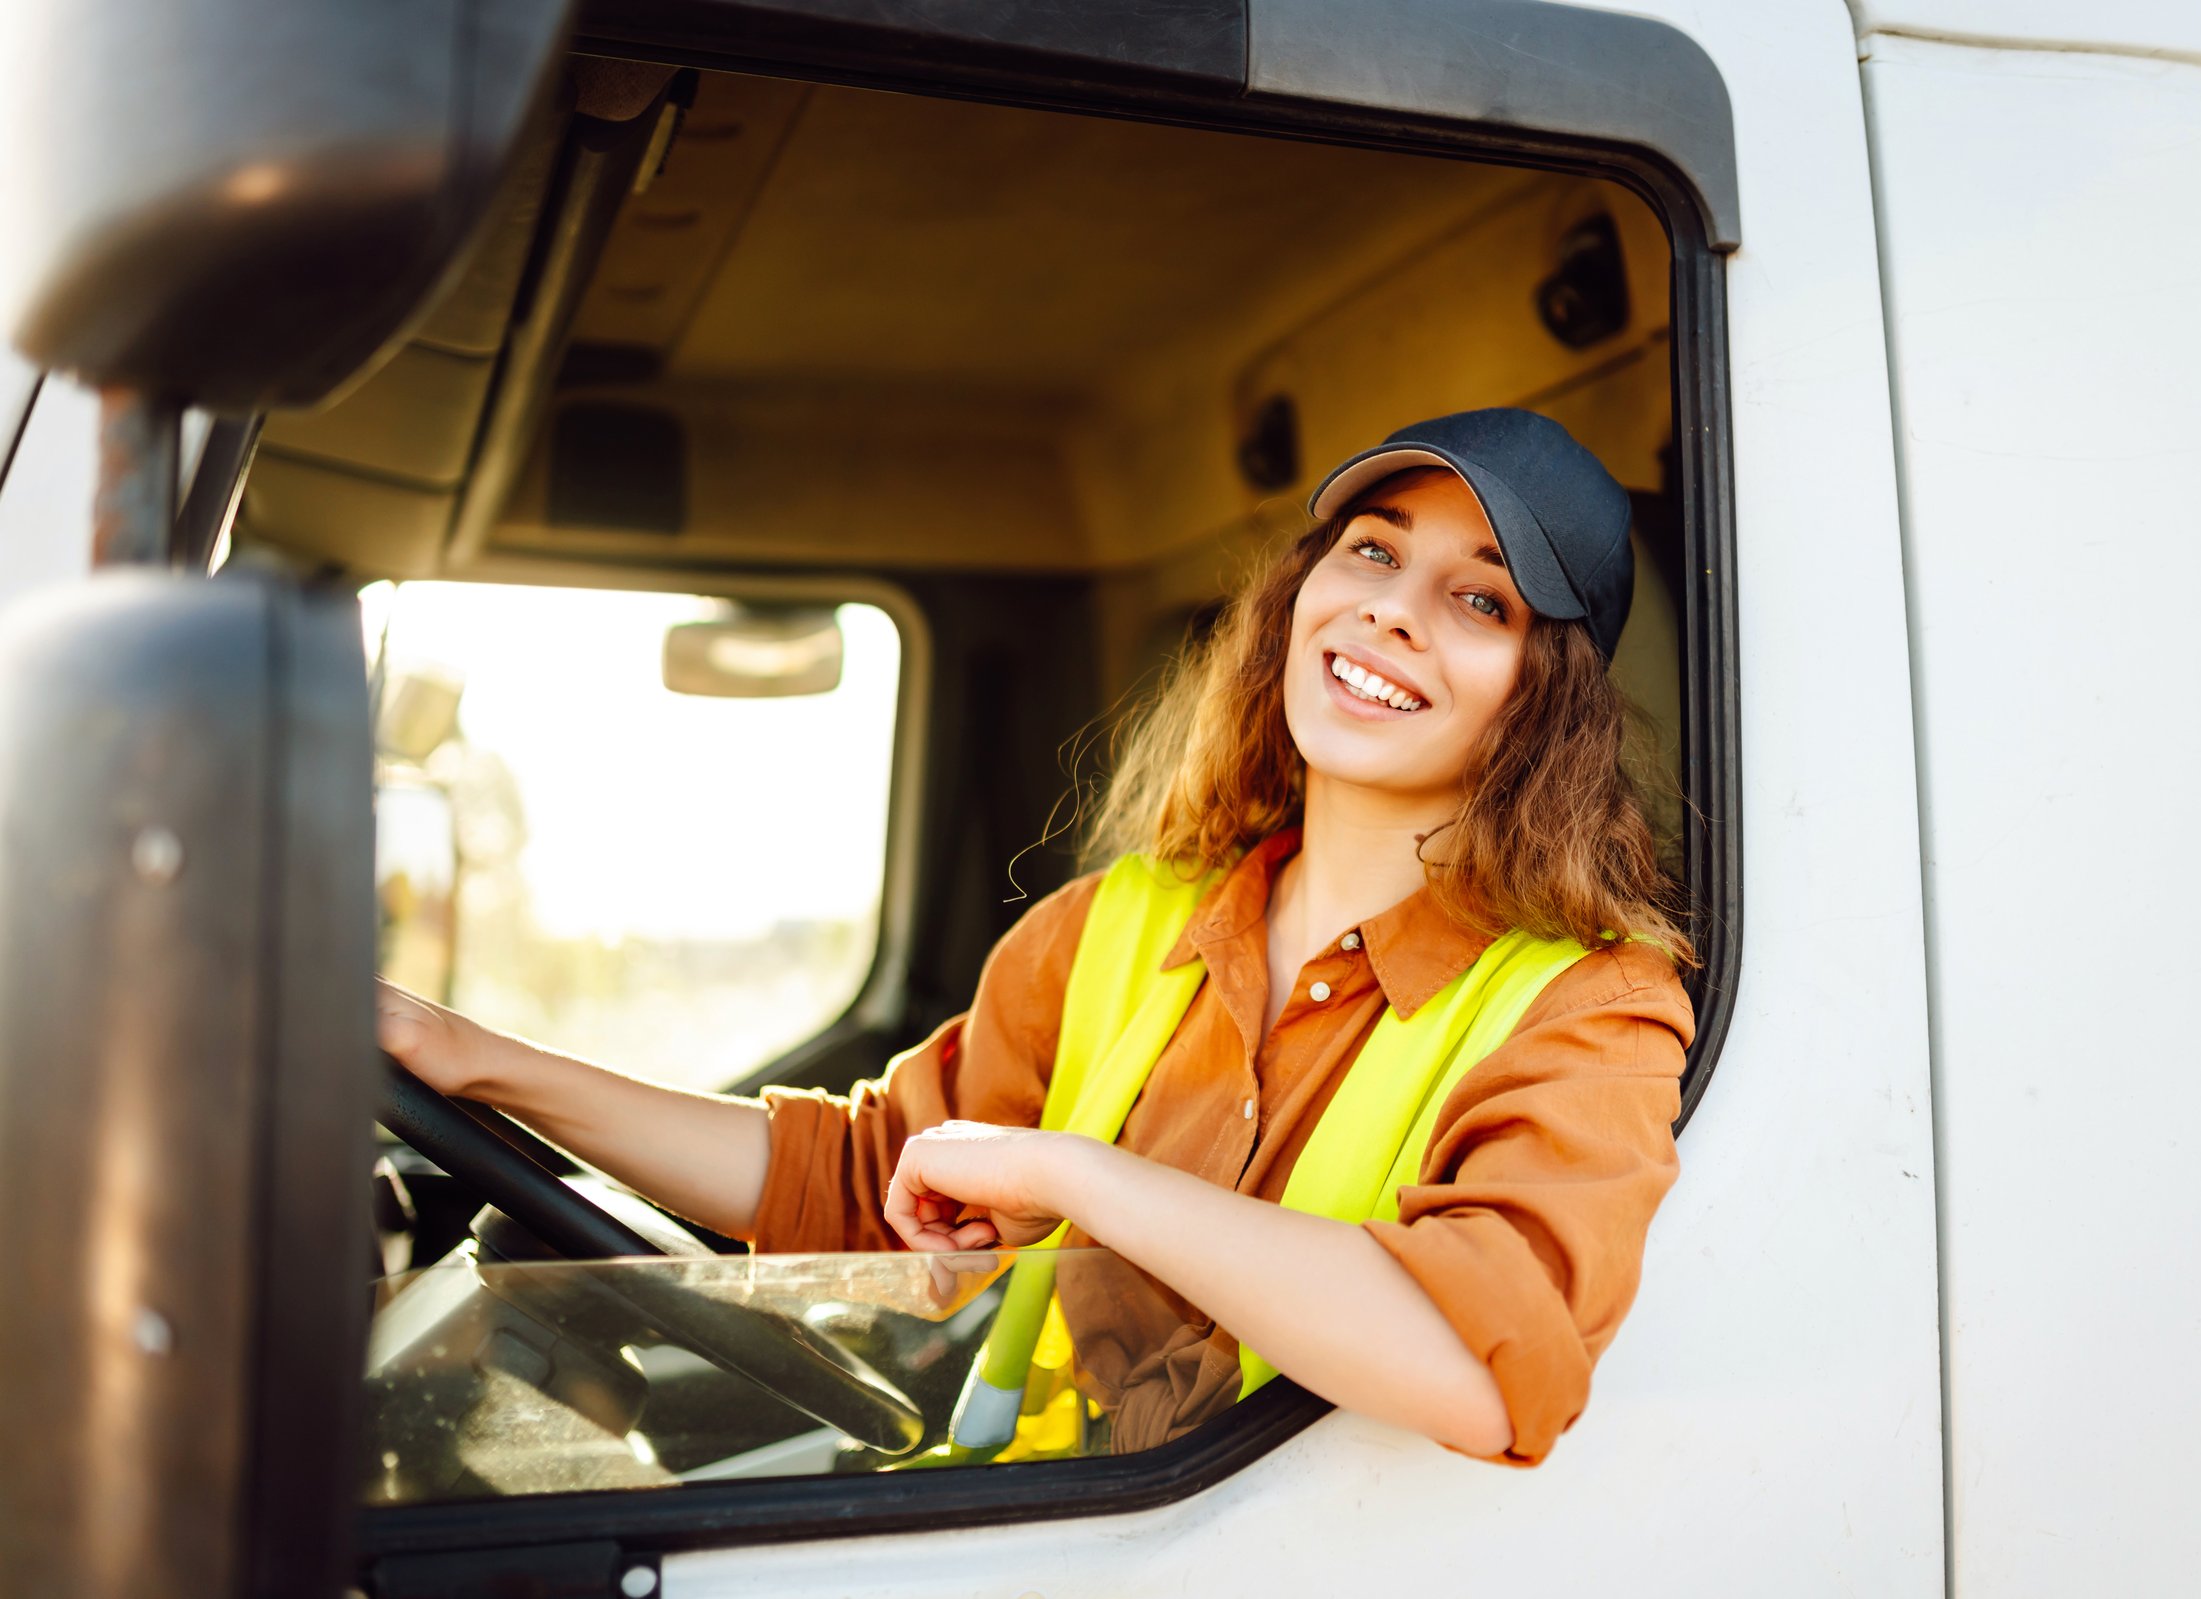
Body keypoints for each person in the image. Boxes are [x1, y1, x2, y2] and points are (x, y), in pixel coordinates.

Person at [378, 407, 1697, 1467]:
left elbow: (1482, 1370)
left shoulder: (1593, 1011)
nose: (1392, 610)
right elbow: (856, 1185)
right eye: (1370, 549)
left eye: (1481, 601)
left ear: (1550, 699)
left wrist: (1076, 1175)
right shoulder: (1118, 927)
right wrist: (469, 1059)